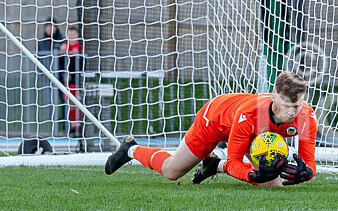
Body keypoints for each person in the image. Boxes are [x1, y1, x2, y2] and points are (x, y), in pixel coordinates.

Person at [104, 71, 317, 186]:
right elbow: (236, 161)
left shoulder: (307, 117)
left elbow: (310, 161)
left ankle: (215, 165)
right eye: (287, 106)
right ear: (273, 97)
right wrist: (252, 176)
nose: (293, 112)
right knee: (171, 171)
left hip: (254, 134)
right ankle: (129, 150)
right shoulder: (250, 114)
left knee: (272, 186)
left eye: (297, 106)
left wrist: (306, 173)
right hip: (215, 120)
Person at [36, 21, 64, 132]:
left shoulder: (62, 41)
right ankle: (53, 127)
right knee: (49, 102)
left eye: (52, 27)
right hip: (48, 77)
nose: (50, 29)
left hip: (61, 77)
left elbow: (65, 59)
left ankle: (65, 126)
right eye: (47, 27)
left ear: (56, 28)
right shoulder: (42, 43)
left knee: (65, 101)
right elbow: (39, 59)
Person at [61, 26, 85, 150]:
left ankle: (77, 126)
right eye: (69, 33)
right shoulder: (64, 47)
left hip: (77, 81)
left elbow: (81, 62)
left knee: (77, 103)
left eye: (73, 33)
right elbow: (60, 60)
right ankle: (71, 126)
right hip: (67, 81)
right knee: (69, 103)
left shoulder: (79, 47)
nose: (71, 36)